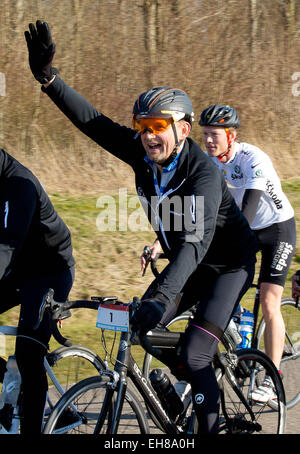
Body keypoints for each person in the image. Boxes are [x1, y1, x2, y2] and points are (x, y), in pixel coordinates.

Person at [24, 20, 258, 433]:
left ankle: (210, 414)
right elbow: (94, 123)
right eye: (141, 126)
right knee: (141, 328)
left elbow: (196, 243)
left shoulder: (203, 173)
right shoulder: (143, 155)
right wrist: (49, 79)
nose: (148, 136)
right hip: (191, 264)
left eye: (158, 127)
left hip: (227, 265)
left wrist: (162, 294)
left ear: (183, 130)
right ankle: (191, 380)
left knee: (196, 352)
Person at [199, 104, 297, 402]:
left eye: (215, 135)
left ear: (232, 135)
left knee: (269, 300)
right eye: (205, 135)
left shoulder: (253, 159)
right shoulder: (209, 162)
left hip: (276, 230)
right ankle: (237, 319)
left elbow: (247, 212)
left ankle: (273, 376)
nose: (209, 141)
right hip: (246, 230)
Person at [0, 149, 75, 433]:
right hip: (17, 268)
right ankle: (10, 376)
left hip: (50, 271)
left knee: (29, 353)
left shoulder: (20, 185)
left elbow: (6, 245)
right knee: (20, 365)